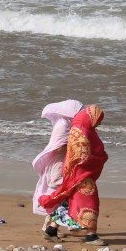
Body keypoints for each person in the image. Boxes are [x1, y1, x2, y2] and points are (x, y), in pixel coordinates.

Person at [38, 105, 109, 246]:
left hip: (78, 173)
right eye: (99, 119)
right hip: (80, 174)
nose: (100, 123)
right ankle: (91, 235)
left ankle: (52, 229)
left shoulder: (83, 129)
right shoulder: (82, 132)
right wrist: (100, 157)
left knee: (70, 201)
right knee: (89, 203)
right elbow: (81, 157)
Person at [31, 99, 84, 238]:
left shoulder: (65, 122)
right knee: (62, 190)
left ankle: (62, 225)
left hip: (62, 160)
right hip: (59, 160)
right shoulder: (64, 124)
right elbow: (59, 146)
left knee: (62, 193)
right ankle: (58, 226)